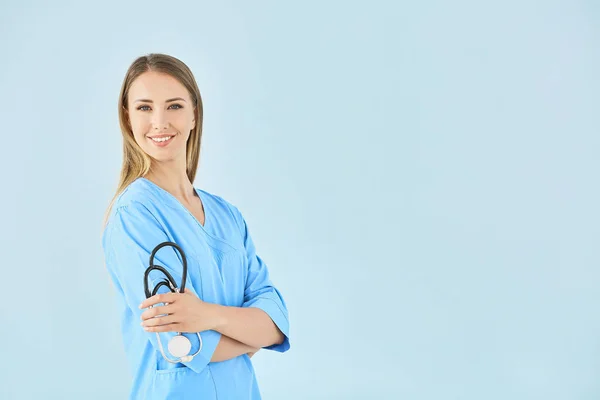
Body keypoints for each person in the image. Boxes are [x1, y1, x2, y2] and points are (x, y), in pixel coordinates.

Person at [101, 53, 290, 400]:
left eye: (173, 106)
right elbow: (180, 344)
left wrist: (207, 315)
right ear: (127, 119)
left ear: (194, 115)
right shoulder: (134, 215)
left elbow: (276, 325)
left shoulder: (228, 216)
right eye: (144, 108)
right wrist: (247, 330)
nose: (159, 122)